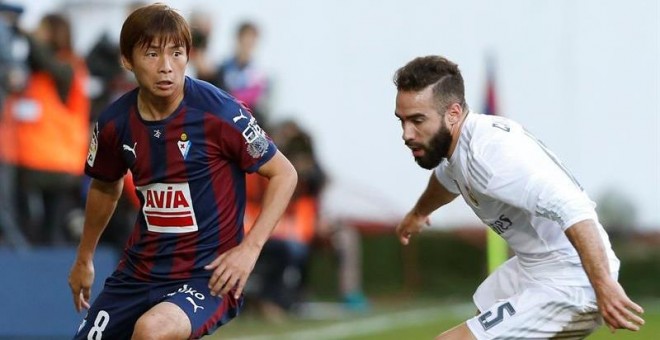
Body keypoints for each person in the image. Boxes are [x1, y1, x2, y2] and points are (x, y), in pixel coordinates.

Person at [68, 4, 297, 339]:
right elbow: (106, 185)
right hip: (138, 274)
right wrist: (84, 257)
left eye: (177, 54)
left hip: (207, 276)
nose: (166, 67)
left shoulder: (219, 112)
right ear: (127, 60)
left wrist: (249, 250)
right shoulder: (115, 123)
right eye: (152, 54)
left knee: (152, 330)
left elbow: (284, 174)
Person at [392, 55, 644, 339]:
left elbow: (573, 207)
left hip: (570, 280)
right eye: (401, 121)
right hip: (531, 268)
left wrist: (603, 284)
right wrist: (419, 213)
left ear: (453, 113)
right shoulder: (460, 147)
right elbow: (445, 180)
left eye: (417, 120)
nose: (406, 133)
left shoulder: (491, 158)